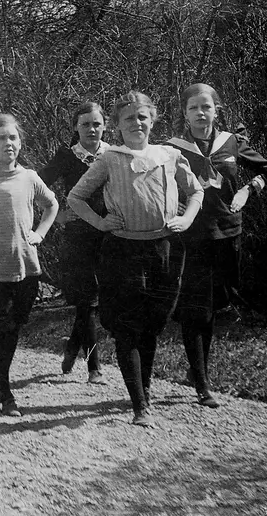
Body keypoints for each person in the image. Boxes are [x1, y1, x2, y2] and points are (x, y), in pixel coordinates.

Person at [68, 91, 204, 427]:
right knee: (127, 328)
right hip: (122, 253)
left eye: (142, 117)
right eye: (129, 118)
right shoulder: (110, 159)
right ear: (117, 124)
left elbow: (196, 191)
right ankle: (139, 405)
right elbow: (75, 197)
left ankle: (145, 391)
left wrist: (186, 219)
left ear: (153, 120)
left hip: (164, 250)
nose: (137, 123)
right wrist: (100, 222)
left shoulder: (169, 155)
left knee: (152, 325)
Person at [164, 83, 267, 408]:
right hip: (192, 236)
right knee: (195, 306)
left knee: (214, 303)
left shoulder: (232, 142)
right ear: (185, 113)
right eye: (193, 108)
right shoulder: (172, 149)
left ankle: (196, 370)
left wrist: (248, 189)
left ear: (216, 110)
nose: (201, 113)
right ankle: (202, 383)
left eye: (206, 107)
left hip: (228, 233)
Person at [0, 114, 59, 416]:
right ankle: (4, 388)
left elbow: (51, 205)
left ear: (21, 143)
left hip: (26, 266)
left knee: (14, 328)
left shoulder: (29, 177)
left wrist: (40, 233)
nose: (8, 143)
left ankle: (0, 378)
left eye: (13, 138)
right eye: (1, 138)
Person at [39, 102, 110, 384]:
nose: (91, 129)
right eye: (85, 125)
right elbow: (37, 185)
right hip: (78, 236)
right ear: (75, 128)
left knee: (96, 302)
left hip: (109, 234)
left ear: (105, 126)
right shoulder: (67, 156)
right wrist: (57, 216)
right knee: (86, 301)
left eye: (96, 124)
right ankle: (94, 367)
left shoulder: (113, 154)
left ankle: (71, 348)